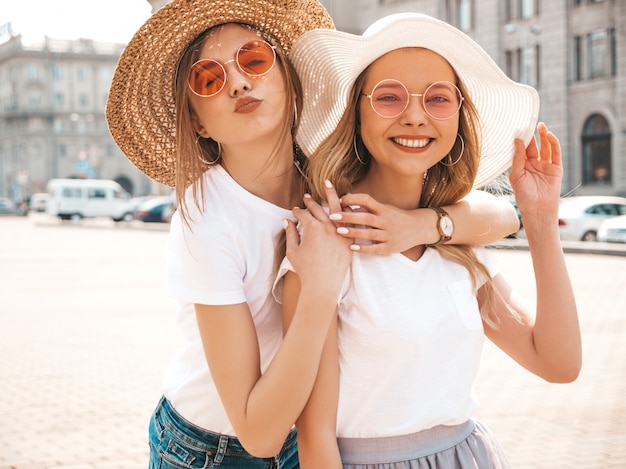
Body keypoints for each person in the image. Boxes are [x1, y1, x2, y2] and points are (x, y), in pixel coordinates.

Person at [106, 1, 520, 466]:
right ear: (198, 120)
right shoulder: (206, 220)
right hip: (215, 446)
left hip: (304, 433)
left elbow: (502, 215)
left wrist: (424, 225)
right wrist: (320, 291)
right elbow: (256, 433)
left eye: (254, 59)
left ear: (287, 75)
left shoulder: (327, 173)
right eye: (209, 78)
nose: (239, 82)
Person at [277, 13, 582, 468]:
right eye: (388, 97)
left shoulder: (454, 242)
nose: (415, 116)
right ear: (355, 112)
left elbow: (558, 363)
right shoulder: (327, 242)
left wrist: (539, 221)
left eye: (438, 99)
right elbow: (315, 437)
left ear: (459, 116)